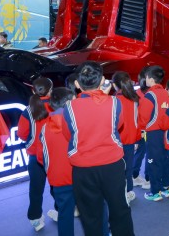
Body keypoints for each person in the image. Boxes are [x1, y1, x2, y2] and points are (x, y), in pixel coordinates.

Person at [62, 62, 134, 236]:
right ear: (102, 80)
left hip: (83, 168)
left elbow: (68, 133)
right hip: (112, 165)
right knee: (120, 211)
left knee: (90, 216)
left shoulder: (69, 107)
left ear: (77, 84)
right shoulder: (115, 102)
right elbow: (119, 124)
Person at [17, 76, 54, 230]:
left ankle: (35, 219)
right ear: (51, 90)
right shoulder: (56, 105)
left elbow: (21, 133)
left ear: (33, 91)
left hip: (35, 156)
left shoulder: (28, 110)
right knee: (58, 186)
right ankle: (61, 210)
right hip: (55, 154)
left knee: (36, 190)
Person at [39, 88, 76, 236]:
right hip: (81, 174)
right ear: (67, 102)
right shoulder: (75, 123)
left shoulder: (44, 128)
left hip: (58, 178)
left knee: (64, 215)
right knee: (94, 212)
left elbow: (41, 156)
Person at [139, 65, 169, 201]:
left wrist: (141, 130)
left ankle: (155, 192)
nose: (145, 79)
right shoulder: (166, 92)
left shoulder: (149, 96)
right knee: (165, 159)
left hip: (153, 133)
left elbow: (143, 118)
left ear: (151, 79)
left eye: (146, 77)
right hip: (166, 132)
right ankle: (166, 188)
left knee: (153, 162)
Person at [113, 72, 142, 203]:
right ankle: (129, 191)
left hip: (116, 141)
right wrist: (136, 139)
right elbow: (136, 121)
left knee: (117, 169)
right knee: (128, 167)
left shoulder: (113, 100)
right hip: (130, 139)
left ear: (114, 85)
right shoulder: (134, 99)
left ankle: (119, 193)